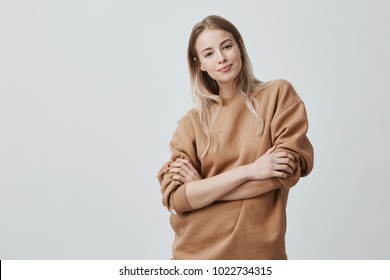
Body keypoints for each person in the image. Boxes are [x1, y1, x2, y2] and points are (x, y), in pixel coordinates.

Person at [157, 15, 314, 260]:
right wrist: (251, 170)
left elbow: (282, 174)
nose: (221, 58)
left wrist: (202, 189)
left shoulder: (278, 96)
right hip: (194, 257)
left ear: (239, 46)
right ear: (199, 65)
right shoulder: (191, 125)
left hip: (259, 255)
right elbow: (178, 199)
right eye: (209, 54)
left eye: (226, 46)